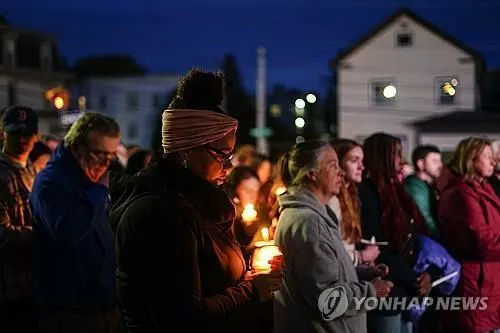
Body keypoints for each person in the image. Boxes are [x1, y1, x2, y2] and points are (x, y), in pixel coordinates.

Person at [110, 69, 282, 332]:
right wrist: (250, 290)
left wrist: (254, 261)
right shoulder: (159, 214)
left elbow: (212, 269)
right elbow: (183, 318)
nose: (229, 166)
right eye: (222, 155)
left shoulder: (199, 204)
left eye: (231, 156)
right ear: (188, 150)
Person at [274, 141, 393, 333]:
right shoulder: (310, 223)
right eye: (333, 165)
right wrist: (371, 291)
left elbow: (320, 276)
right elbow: (327, 299)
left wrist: (359, 274)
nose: (341, 173)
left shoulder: (312, 216)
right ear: (312, 173)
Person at [30, 112, 122, 333]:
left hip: (104, 305)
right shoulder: (51, 183)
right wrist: (98, 192)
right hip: (70, 312)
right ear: (75, 146)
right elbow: (68, 231)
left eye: (111, 157)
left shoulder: (91, 181)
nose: (104, 164)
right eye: (98, 154)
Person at [360, 132, 431, 333]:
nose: (401, 161)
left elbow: (416, 234)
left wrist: (426, 274)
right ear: (381, 157)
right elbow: (376, 246)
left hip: (407, 287)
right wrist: (413, 277)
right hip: (387, 288)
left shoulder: (398, 190)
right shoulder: (367, 193)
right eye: (396, 154)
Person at [438, 137, 500, 333]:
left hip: (489, 279)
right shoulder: (462, 194)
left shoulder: (484, 188)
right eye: (488, 157)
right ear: (472, 159)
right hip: (476, 282)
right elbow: (481, 241)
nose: (493, 162)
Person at [0, 106, 39, 332]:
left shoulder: (33, 171)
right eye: (15, 133)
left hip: (31, 283)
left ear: (36, 136)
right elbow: (2, 234)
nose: (22, 139)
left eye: (27, 133)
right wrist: (40, 234)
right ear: (4, 133)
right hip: (8, 287)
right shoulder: (2, 174)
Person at [329, 139, 380, 266]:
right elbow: (332, 254)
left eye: (362, 161)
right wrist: (363, 256)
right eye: (354, 160)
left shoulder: (352, 195)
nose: (361, 167)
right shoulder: (332, 199)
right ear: (337, 164)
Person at [404, 145, 443, 240]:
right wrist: (441, 239)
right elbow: (425, 218)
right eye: (435, 161)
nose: (440, 165)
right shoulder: (414, 186)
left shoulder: (428, 186)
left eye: (440, 160)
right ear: (421, 164)